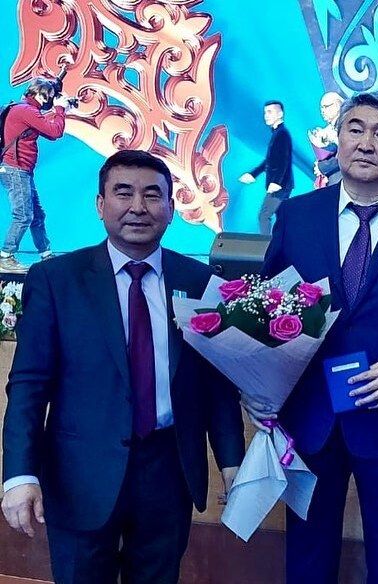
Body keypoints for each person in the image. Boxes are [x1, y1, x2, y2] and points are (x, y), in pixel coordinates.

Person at [1, 150, 245, 583]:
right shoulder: (57, 280)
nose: (138, 207)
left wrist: (232, 461)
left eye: (152, 195)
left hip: (168, 470)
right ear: (100, 205)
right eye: (123, 193)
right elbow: (28, 385)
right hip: (79, 473)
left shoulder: (201, 282)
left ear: (171, 208)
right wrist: (19, 473)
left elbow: (216, 385)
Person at [248, 90, 378, 584]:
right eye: (355, 129)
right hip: (309, 418)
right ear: (337, 140)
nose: (366, 143)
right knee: (307, 557)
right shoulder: (296, 216)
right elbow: (265, 304)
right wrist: (258, 383)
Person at [0, 77, 70, 273]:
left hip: (21, 170)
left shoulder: (23, 109)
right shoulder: (26, 111)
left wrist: (61, 110)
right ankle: (5, 257)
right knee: (23, 215)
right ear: (39, 94)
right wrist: (60, 109)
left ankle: (46, 255)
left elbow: (49, 131)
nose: (49, 100)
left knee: (37, 215)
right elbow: (55, 132)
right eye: (48, 96)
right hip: (16, 169)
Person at [239, 100, 294, 234]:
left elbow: (284, 160)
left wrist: (276, 182)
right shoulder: (277, 133)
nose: (266, 116)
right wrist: (253, 174)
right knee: (282, 218)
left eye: (270, 112)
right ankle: (280, 244)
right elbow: (270, 161)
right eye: (265, 112)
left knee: (264, 216)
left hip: (280, 186)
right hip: (281, 185)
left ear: (280, 114)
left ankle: (266, 246)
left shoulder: (282, 134)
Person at [310, 91, 344, 188]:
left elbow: (346, 154)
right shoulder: (329, 129)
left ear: (337, 105)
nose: (323, 111)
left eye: (326, 106)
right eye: (321, 108)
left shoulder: (345, 125)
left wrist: (323, 166)